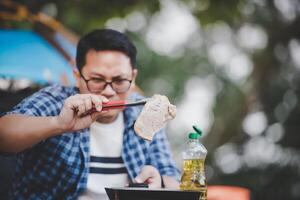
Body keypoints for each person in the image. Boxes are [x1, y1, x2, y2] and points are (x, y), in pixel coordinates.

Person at [0, 29, 180, 199]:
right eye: (97, 80)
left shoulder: (147, 111)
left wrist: (160, 182)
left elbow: (174, 181)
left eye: (119, 80)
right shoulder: (57, 100)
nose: (109, 92)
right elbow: (3, 136)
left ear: (133, 77)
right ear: (77, 75)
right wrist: (58, 124)